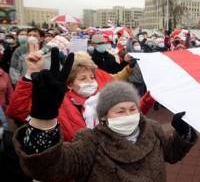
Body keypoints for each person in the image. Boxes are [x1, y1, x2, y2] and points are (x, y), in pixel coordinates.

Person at [13, 72, 196, 182]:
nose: (128, 115)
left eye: (132, 109)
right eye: (120, 111)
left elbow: (172, 153)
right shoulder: (89, 142)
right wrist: (43, 118)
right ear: (104, 116)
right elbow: (48, 167)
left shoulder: (153, 129)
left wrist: (183, 133)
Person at [7, 46, 148, 142]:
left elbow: (129, 113)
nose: (90, 81)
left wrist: (148, 99)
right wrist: (30, 74)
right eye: (82, 78)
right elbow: (17, 111)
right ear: (70, 83)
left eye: (92, 77)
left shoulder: (104, 100)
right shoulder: (59, 103)